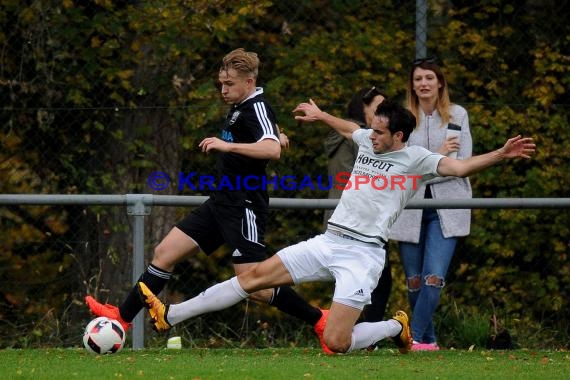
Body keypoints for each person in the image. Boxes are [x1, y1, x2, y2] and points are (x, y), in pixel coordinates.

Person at [136, 99, 535, 355]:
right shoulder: (369, 140)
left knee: (336, 343)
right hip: (329, 241)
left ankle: (395, 326)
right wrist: (320, 115)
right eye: (371, 129)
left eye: (379, 132)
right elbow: (348, 128)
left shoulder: (417, 159)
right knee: (253, 278)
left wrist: (500, 154)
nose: (370, 136)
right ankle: (171, 315)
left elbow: (461, 167)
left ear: (398, 135)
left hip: (363, 255)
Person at [85, 48, 328, 349]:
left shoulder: (256, 106)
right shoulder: (243, 105)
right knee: (165, 253)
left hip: (244, 205)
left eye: (230, 84)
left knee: (254, 284)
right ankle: (122, 317)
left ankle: (319, 319)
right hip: (220, 202)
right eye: (221, 83)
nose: (223, 90)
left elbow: (271, 150)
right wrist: (276, 134)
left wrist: (237, 145)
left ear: (249, 82)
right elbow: (266, 137)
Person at [389, 57, 472, 351]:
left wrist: (422, 167)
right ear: (412, 85)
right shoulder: (401, 118)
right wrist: (437, 157)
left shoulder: (457, 116)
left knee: (433, 277)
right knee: (413, 281)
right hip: (408, 209)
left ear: (440, 83)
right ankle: (429, 341)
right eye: (418, 79)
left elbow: (460, 164)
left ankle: (414, 339)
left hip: (446, 209)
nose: (423, 83)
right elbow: (400, 169)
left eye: (429, 78)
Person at [323, 87, 392, 327]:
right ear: (361, 108)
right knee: (369, 281)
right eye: (378, 107)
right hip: (352, 221)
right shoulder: (353, 137)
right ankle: (358, 332)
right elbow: (346, 180)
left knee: (375, 279)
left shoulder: (363, 136)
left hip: (361, 220)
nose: (384, 113)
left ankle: (360, 332)